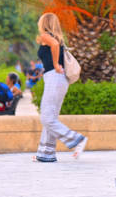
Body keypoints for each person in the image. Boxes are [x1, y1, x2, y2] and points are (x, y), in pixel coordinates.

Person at [34, 13, 87, 162]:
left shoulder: (46, 36)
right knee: (50, 116)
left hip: (54, 77)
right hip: (59, 80)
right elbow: (55, 46)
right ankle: (46, 153)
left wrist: (56, 65)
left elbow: (55, 46)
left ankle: (76, 139)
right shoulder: (58, 38)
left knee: (46, 117)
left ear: (43, 23)